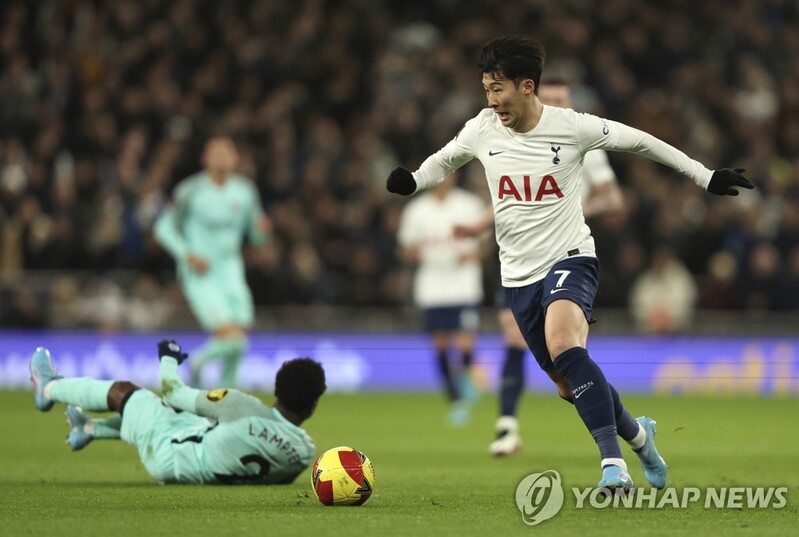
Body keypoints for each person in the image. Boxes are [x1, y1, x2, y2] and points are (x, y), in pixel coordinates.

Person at [386, 35, 753, 492]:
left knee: (564, 343)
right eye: (486, 89)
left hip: (570, 258)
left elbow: (640, 141)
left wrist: (705, 175)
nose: (492, 100)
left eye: (498, 88)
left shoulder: (572, 127)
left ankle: (612, 466)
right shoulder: (481, 129)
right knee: (566, 382)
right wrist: (414, 180)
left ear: (526, 86)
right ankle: (640, 436)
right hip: (517, 276)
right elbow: (444, 161)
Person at [454, 77, 624, 456]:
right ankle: (508, 426)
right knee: (522, 344)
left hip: (564, 253)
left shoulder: (583, 139)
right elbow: (509, 199)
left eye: (563, 99)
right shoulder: (512, 134)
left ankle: (622, 440)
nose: (557, 105)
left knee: (566, 356)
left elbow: (613, 197)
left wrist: (573, 209)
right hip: (519, 261)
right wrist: (477, 228)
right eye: (551, 99)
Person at [29, 340, 326, 484]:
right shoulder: (303, 452)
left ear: (277, 390)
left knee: (125, 393)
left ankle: (48, 389)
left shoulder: (241, 407)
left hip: (169, 456)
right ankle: (90, 429)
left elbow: (173, 391)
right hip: (201, 465)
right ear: (314, 404)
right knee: (180, 415)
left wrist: (169, 357)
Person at [154, 136, 271, 388]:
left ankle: (226, 392)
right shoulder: (189, 191)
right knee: (231, 337)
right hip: (200, 273)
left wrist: (263, 231)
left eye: (226, 152)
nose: (221, 158)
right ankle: (196, 361)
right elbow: (163, 228)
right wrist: (187, 254)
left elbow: (257, 237)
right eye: (214, 152)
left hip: (231, 270)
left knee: (239, 338)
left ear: (235, 158)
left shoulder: (246, 191)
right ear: (204, 159)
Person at [397, 174, 486, 425]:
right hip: (432, 287)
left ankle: (466, 380)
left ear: (454, 177)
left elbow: (486, 241)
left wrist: (475, 255)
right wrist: (418, 252)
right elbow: (407, 248)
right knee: (440, 346)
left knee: (466, 341)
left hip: (464, 285)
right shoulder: (416, 210)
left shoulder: (469, 204)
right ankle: (456, 399)